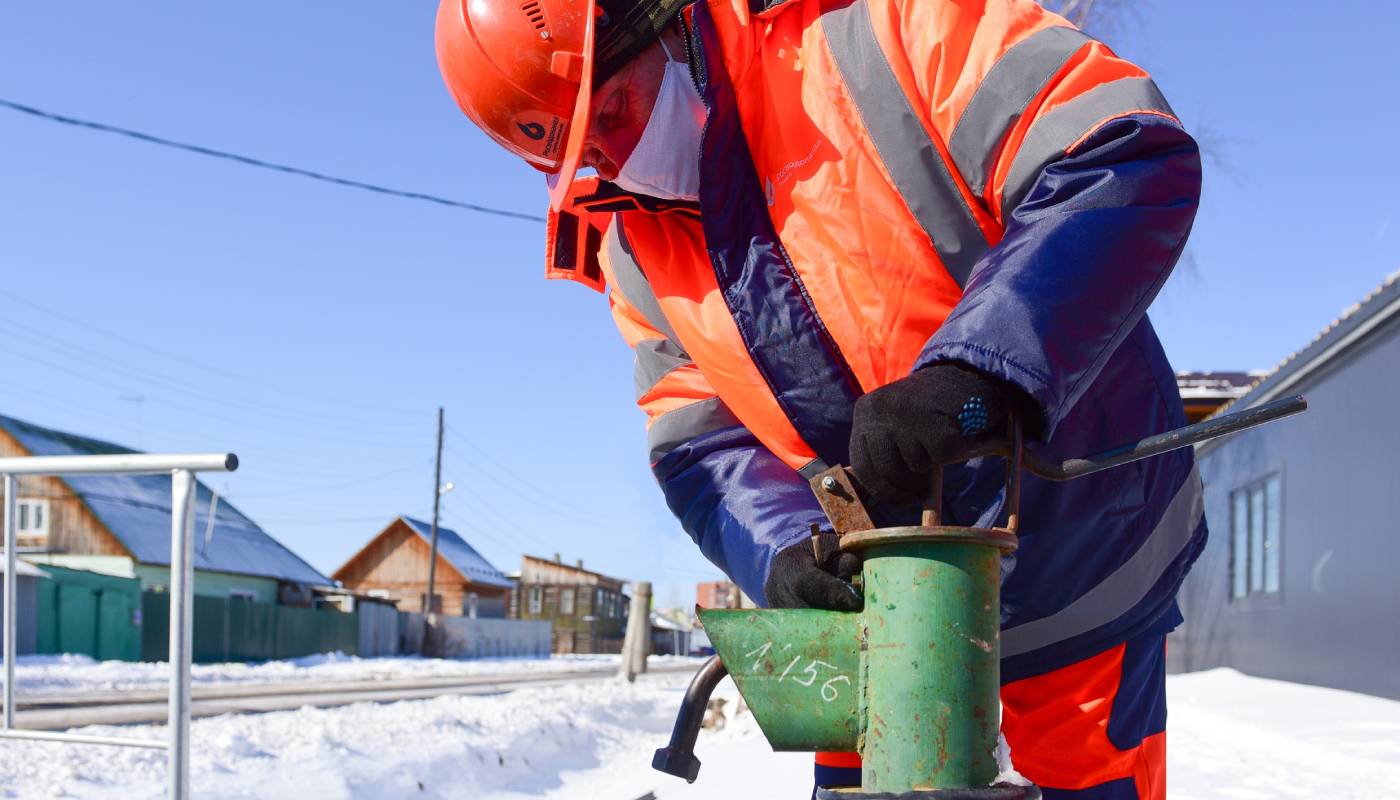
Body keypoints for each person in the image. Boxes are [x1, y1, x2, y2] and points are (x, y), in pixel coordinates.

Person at [435, 0, 1203, 795]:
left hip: (1080, 574)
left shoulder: (884, 31)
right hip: (878, 631)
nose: (615, 159)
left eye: (614, 111)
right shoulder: (635, 253)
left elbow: (1118, 151)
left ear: (662, 19)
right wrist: (785, 553)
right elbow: (699, 444)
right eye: (579, 152)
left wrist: (985, 377)